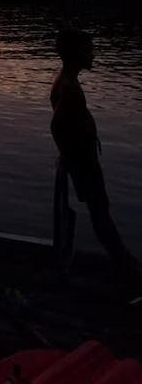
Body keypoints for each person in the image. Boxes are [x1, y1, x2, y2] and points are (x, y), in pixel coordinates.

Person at [50, 28, 141, 291]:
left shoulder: (68, 81)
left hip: (82, 158)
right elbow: (56, 126)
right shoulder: (68, 87)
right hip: (83, 161)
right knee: (100, 212)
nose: (93, 54)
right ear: (74, 54)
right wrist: (68, 155)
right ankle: (126, 265)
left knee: (100, 209)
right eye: (88, 50)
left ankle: (122, 260)